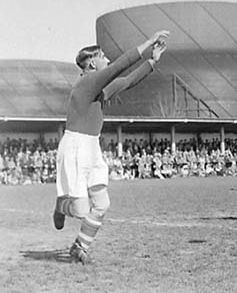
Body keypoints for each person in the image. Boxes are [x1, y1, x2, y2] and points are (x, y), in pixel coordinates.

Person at [53, 30, 170, 264]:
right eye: (102, 56)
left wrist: (152, 61)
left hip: (91, 147)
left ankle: (80, 247)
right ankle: (60, 207)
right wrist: (148, 42)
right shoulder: (86, 83)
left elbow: (126, 81)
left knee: (103, 204)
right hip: (75, 146)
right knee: (80, 211)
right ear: (91, 63)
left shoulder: (99, 90)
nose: (106, 58)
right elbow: (119, 67)